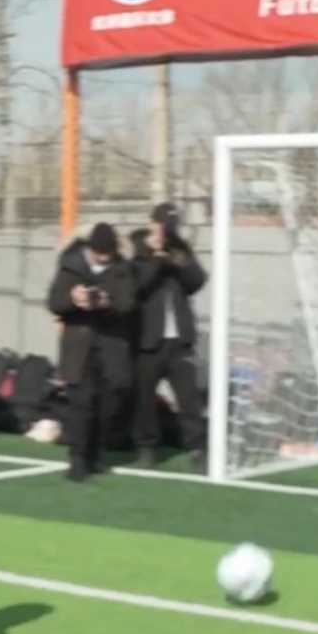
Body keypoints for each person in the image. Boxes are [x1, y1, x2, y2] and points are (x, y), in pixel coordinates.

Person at [47, 223, 136, 482]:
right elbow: (54, 302)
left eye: (108, 254)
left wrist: (108, 303)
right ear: (91, 249)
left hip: (111, 346)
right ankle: (77, 459)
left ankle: (97, 453)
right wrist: (73, 300)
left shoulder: (122, 269)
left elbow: (129, 303)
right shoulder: (71, 266)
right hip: (79, 347)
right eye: (100, 254)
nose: (104, 259)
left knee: (108, 404)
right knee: (80, 405)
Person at [130, 201, 209, 472]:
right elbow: (136, 286)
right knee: (144, 398)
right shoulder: (138, 249)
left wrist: (178, 262)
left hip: (180, 340)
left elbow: (197, 281)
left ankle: (198, 448)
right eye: (163, 224)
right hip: (148, 340)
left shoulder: (181, 249)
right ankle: (147, 448)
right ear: (152, 223)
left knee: (189, 398)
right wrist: (154, 257)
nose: (166, 231)